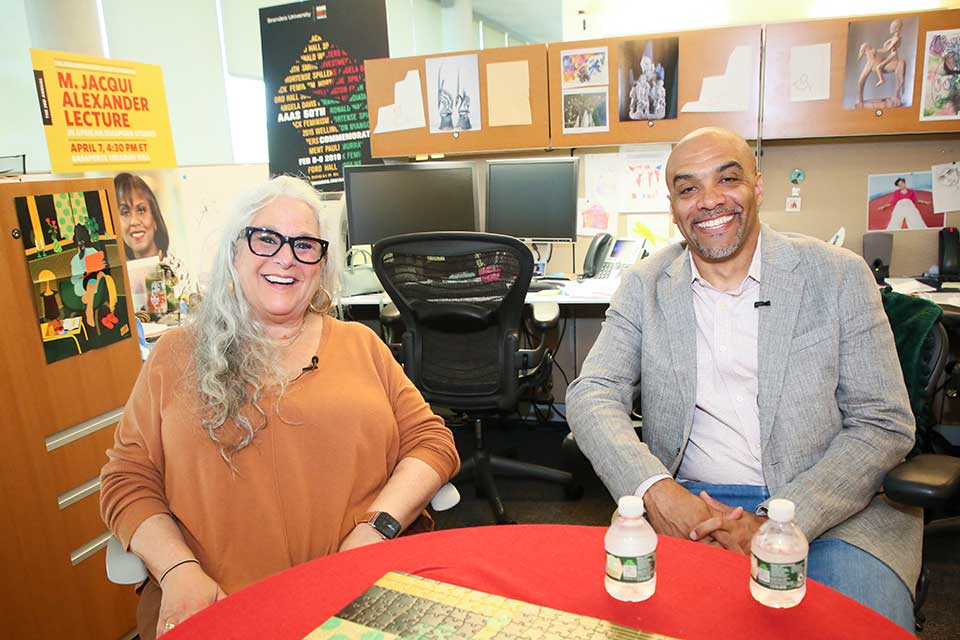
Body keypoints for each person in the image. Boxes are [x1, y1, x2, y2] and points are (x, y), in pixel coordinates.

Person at [566, 127, 920, 630]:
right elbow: (592, 395)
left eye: (726, 179)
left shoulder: (838, 274)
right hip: (691, 504)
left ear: (757, 185)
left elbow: (883, 423)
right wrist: (660, 494)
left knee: (860, 626)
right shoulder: (644, 285)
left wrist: (782, 518)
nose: (709, 201)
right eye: (688, 189)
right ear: (673, 207)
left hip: (834, 510)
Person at [100, 176, 460, 639]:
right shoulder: (176, 356)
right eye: (266, 238)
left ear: (321, 265)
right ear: (235, 252)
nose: (286, 258)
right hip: (219, 602)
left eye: (305, 245)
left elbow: (431, 442)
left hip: (358, 594)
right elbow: (127, 479)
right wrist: (176, 571)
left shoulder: (361, 344)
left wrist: (378, 529)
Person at [114, 173, 195, 308]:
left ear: (155, 218)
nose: (134, 221)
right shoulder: (118, 279)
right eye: (125, 212)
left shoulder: (178, 271)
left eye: (141, 210)